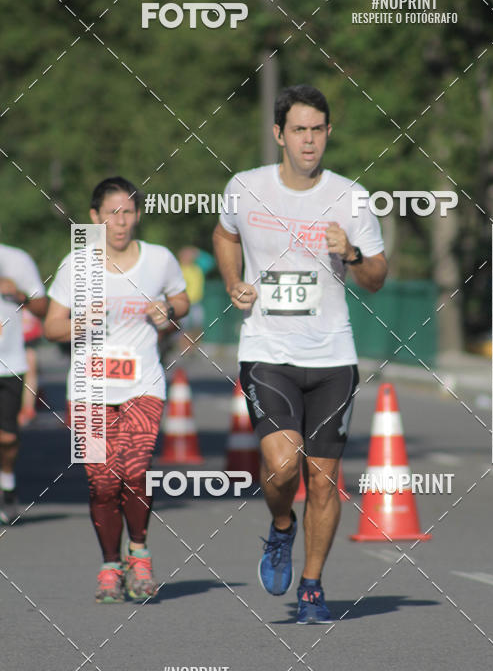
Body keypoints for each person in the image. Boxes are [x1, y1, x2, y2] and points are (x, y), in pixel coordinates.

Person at [213, 84, 387, 623]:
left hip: (333, 354)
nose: (308, 141)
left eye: (317, 130)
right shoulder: (245, 188)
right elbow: (223, 236)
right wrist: (232, 280)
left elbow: (377, 278)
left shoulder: (351, 197)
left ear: (328, 133)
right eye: (298, 131)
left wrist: (352, 252)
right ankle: (281, 527)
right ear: (279, 135)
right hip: (267, 348)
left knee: (324, 479)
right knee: (282, 465)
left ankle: (312, 585)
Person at [44, 177, 189, 603]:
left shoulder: (159, 260)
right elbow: (52, 325)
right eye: (111, 213)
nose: (120, 222)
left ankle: (139, 554)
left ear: (138, 215)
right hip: (88, 389)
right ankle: (111, 564)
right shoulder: (77, 265)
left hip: (143, 383)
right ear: (94, 218)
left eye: (127, 212)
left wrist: (169, 309)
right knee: (103, 482)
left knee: (135, 469)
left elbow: (181, 300)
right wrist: (77, 324)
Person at [0, 244, 48, 523]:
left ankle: (7, 485)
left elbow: (42, 307)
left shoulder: (18, 260)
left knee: (6, 437)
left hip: (9, 364)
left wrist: (18, 294)